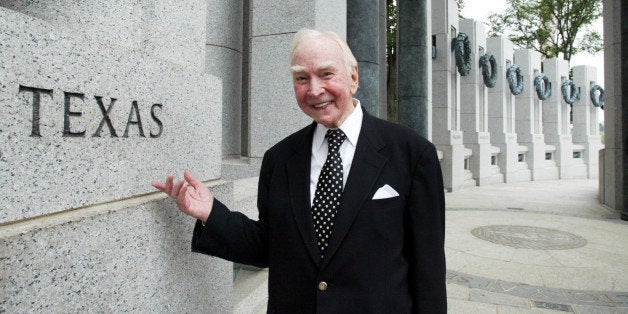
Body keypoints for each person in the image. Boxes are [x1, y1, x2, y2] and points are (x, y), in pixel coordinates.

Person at [152, 29, 446, 313]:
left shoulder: (412, 154)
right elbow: (267, 247)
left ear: (353, 77)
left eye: (326, 74)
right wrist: (210, 212)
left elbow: (428, 269)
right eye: (302, 78)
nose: (315, 89)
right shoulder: (279, 160)